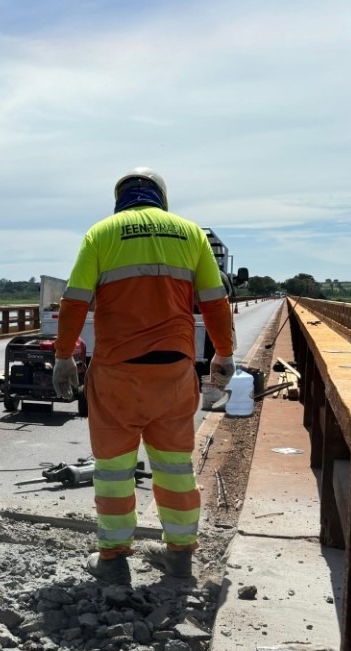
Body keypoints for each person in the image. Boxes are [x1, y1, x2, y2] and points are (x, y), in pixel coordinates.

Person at [51, 168, 235, 583]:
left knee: (114, 470)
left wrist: (64, 356)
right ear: (161, 197)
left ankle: (114, 561)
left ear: (120, 198)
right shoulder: (191, 234)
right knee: (174, 468)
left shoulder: (101, 234)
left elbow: (75, 300)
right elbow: (215, 302)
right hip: (172, 373)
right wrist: (223, 354)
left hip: (117, 374)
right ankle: (180, 558)